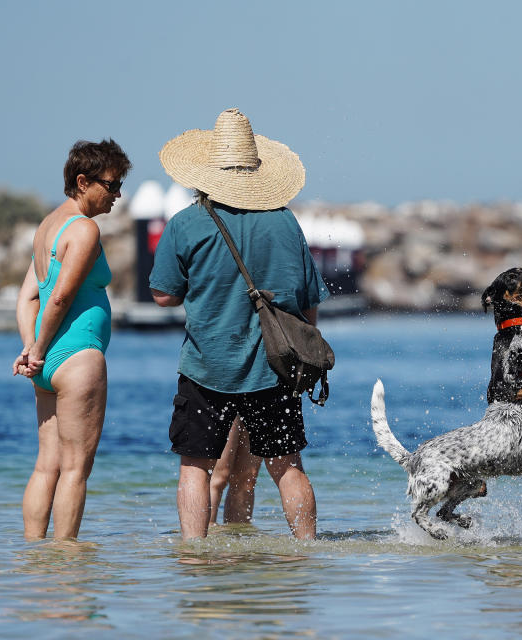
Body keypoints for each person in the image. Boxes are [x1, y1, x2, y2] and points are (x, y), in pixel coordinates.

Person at [150, 108, 329, 540]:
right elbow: (309, 305)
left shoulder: (186, 224)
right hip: (275, 368)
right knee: (287, 467)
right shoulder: (287, 222)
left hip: (206, 367)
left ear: (207, 172)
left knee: (195, 466)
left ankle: (194, 554)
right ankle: (307, 551)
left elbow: (163, 295)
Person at [13, 139, 131, 540]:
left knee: (47, 464)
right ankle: (65, 564)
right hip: (76, 358)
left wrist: (31, 350)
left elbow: (28, 296)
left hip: (47, 364)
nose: (117, 195)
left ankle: (35, 556)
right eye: (111, 185)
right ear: (83, 182)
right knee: (76, 468)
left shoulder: (48, 226)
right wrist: (40, 349)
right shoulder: (83, 230)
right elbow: (59, 297)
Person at [208, 417, 262, 526]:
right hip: (224, 400)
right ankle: (205, 532)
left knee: (248, 478)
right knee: (218, 477)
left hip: (259, 401)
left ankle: (237, 534)